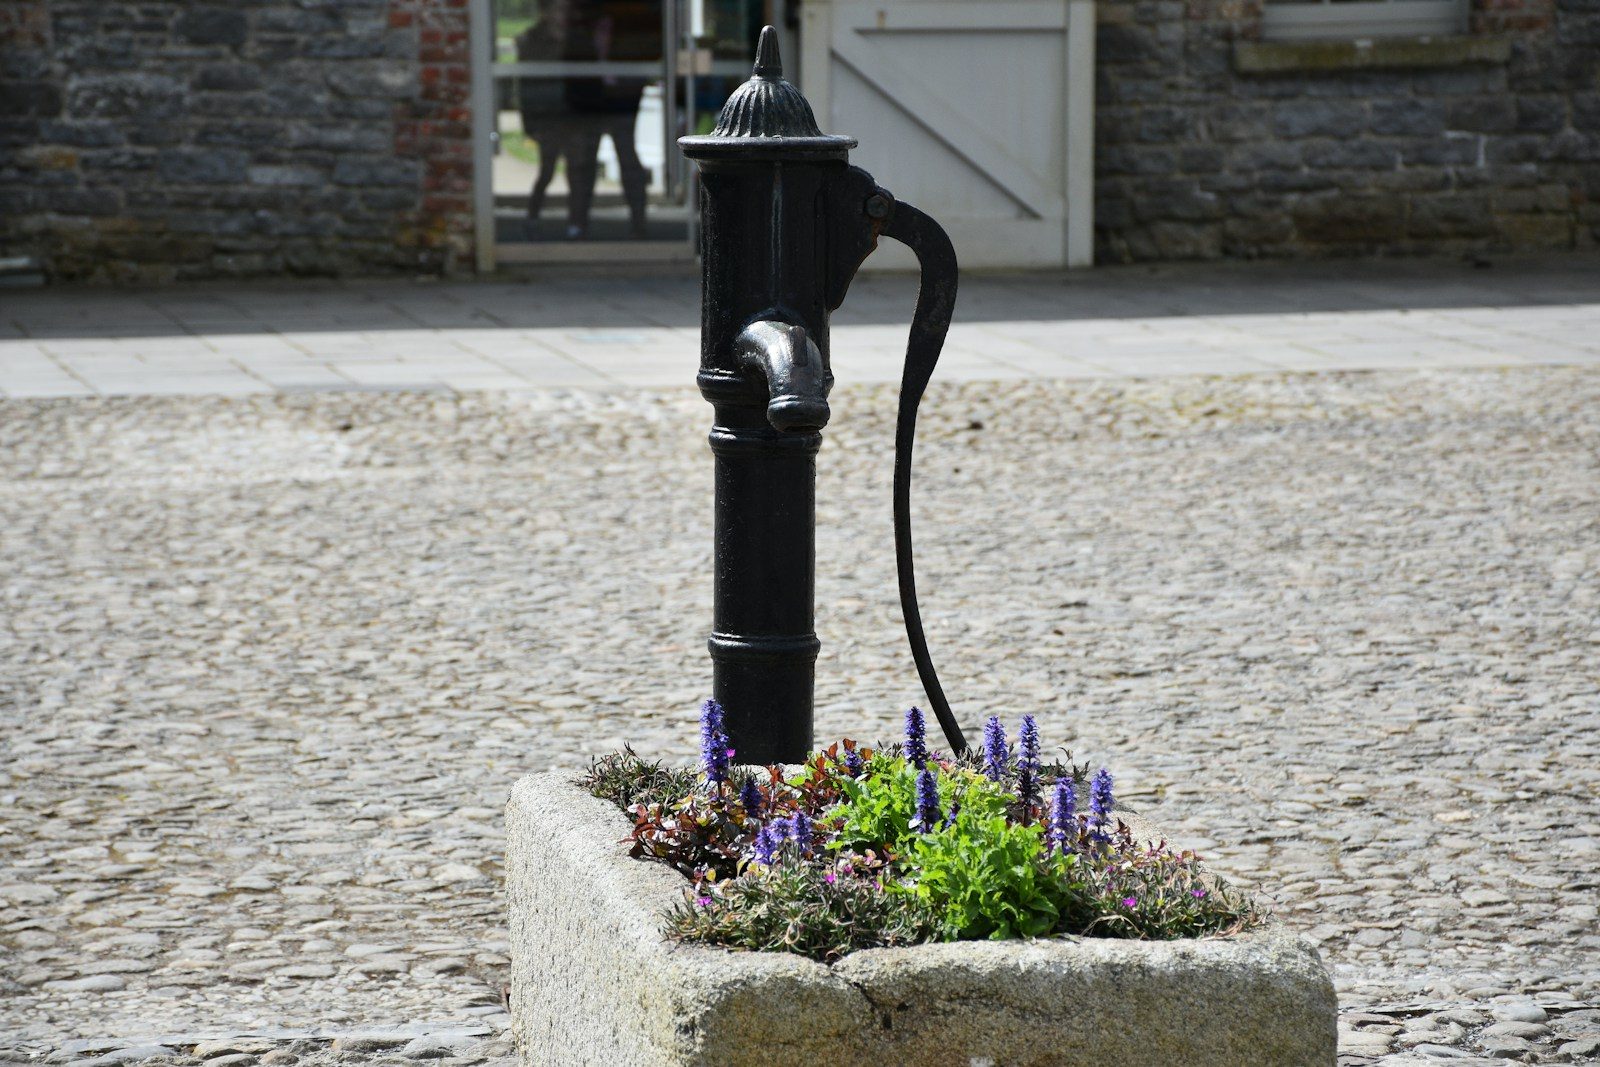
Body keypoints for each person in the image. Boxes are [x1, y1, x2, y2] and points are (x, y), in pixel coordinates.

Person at [560, 0, 657, 239]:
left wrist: (628, 88)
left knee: (628, 159)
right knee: (583, 163)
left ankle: (639, 224)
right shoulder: (580, 24)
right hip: (589, 102)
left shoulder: (629, 23)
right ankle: (577, 224)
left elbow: (643, 55)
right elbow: (570, 63)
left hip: (621, 101)